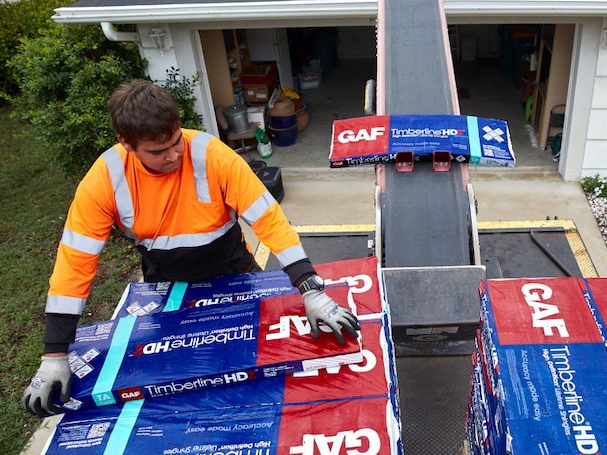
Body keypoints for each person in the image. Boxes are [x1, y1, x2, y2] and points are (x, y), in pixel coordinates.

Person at [22, 79, 359, 417]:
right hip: (167, 285)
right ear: (126, 143)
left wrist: (310, 289)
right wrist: (54, 354)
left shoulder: (212, 155)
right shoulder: (105, 179)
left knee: (260, 376)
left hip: (235, 272)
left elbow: (270, 221)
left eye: (174, 142)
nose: (172, 156)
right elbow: (75, 262)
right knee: (179, 391)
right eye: (157, 151)